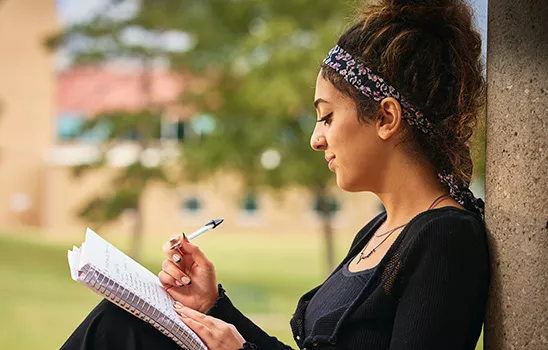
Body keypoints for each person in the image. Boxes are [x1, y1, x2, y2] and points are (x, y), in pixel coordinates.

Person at [60, 0, 490, 349]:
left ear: (386, 117)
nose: (315, 140)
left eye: (326, 117)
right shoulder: (380, 230)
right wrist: (214, 306)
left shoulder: (444, 241)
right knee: (120, 321)